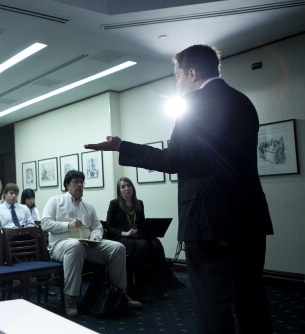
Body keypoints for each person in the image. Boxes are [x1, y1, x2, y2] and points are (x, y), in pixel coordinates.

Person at [84, 44, 273, 333]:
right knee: (251, 298)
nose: (178, 82)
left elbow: (174, 160)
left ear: (192, 72)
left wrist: (122, 147)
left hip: (207, 221)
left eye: (177, 76)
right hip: (250, 218)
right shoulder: (243, 102)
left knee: (213, 303)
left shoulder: (194, 105)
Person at [41, 170, 141, 316]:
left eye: (82, 182)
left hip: (87, 245)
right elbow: (45, 224)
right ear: (67, 185)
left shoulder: (88, 207)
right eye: (76, 182)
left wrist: (95, 238)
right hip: (60, 245)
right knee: (74, 246)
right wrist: (68, 225)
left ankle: (119, 294)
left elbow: (97, 228)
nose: (80, 185)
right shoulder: (55, 201)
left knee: (118, 247)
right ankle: (70, 298)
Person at [106, 177, 171, 300]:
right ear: (119, 190)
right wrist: (125, 233)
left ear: (133, 188)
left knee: (156, 243)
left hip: (137, 236)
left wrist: (147, 231)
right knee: (143, 245)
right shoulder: (114, 203)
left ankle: (160, 284)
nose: (127, 189)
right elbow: (109, 227)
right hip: (121, 238)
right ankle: (136, 286)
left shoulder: (139, 203)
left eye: (129, 185)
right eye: (123, 187)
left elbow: (141, 224)